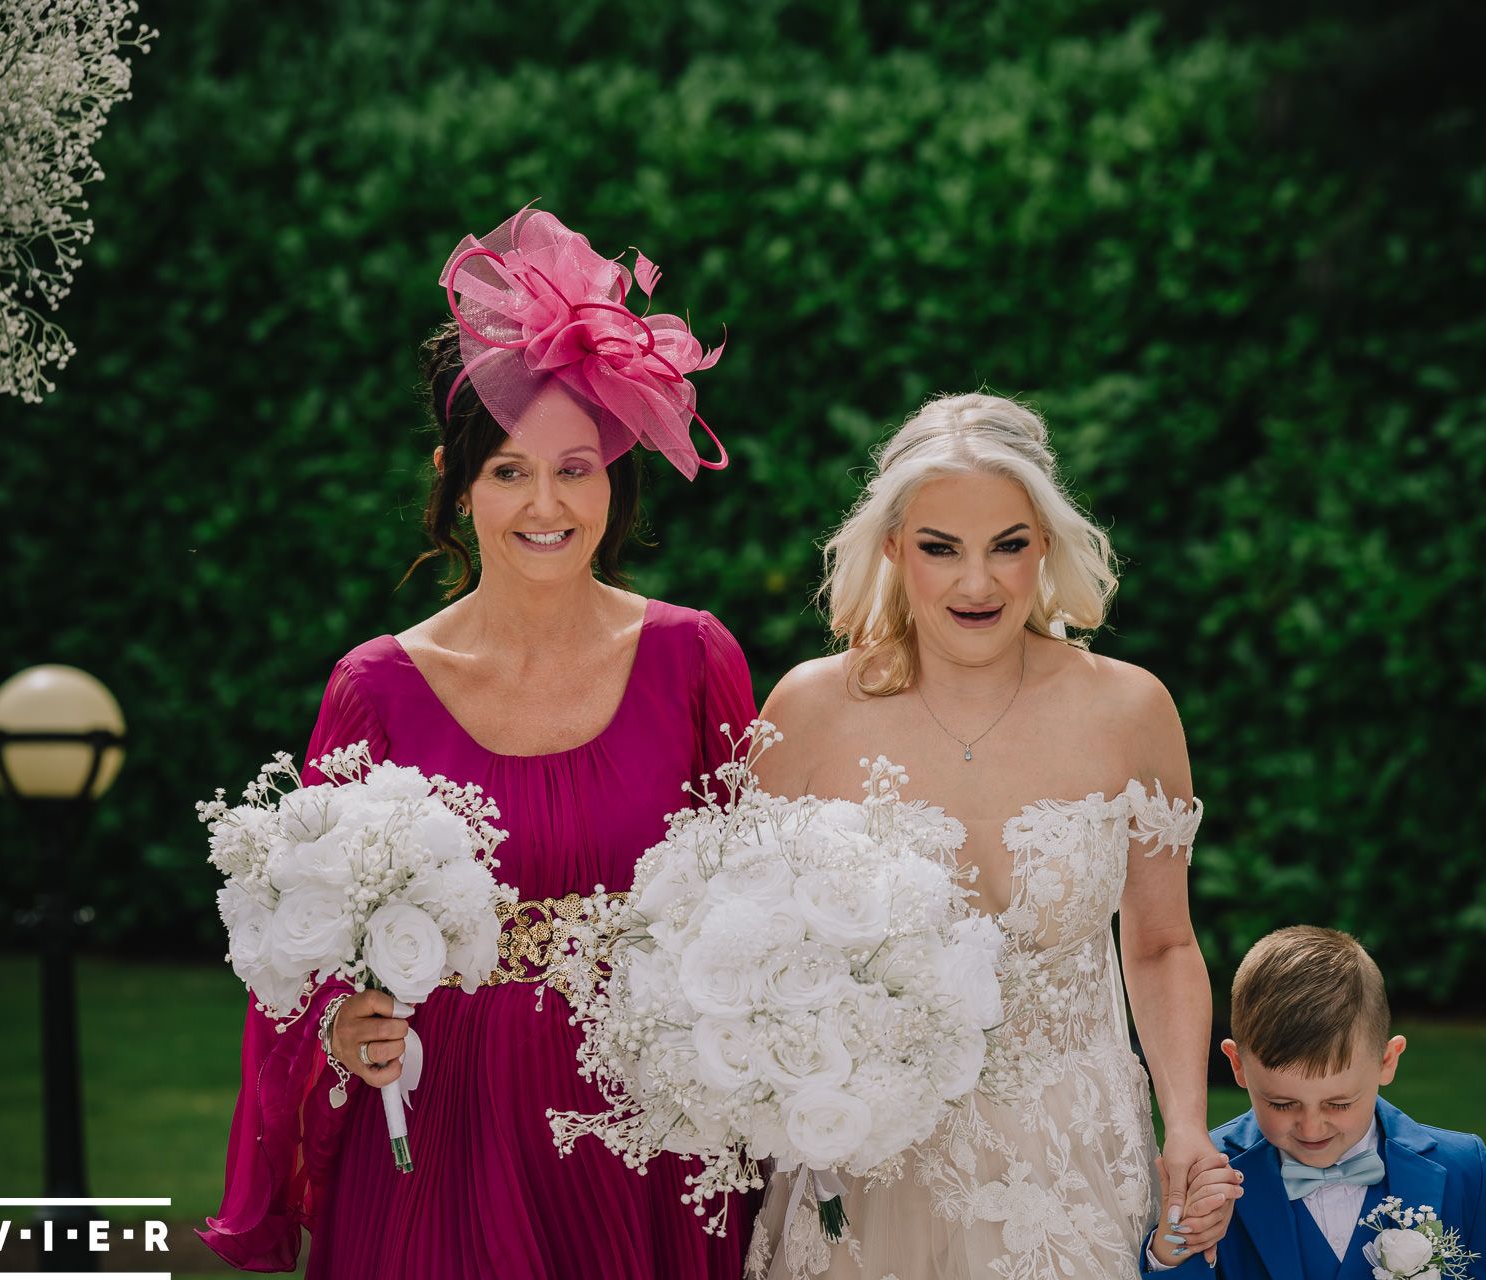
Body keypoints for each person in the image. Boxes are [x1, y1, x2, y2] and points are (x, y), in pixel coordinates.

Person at [199, 207, 754, 1278]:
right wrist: (341, 1026)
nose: (545, 503)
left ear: (616, 477)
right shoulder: (375, 687)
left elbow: (756, 907)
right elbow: (308, 943)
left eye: (576, 468)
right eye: (507, 470)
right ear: (458, 480)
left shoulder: (697, 661)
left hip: (641, 1119)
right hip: (443, 1122)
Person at [744, 393, 1235, 1279]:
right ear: (893, 547)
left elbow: (1162, 945)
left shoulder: (1131, 709)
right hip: (868, 1174)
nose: (979, 584)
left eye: (1009, 545)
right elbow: (753, 962)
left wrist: (1188, 1126)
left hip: (1075, 1166)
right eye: (941, 549)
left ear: (1045, 543)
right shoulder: (807, 713)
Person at [1141, 926, 1486, 1279]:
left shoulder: (1462, 1168)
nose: (1311, 1127)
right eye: (1281, 1103)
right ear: (1238, 1066)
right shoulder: (1206, 1176)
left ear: (1387, 1061)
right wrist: (1177, 1241)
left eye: (1338, 1104)